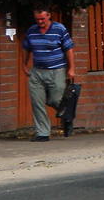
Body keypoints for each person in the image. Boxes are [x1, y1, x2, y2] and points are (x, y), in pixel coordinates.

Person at [21, 8, 75, 141]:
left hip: (56, 70)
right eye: (37, 19)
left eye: (42, 19)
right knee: (37, 102)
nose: (40, 22)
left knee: (55, 99)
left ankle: (66, 114)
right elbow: (26, 48)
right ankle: (42, 133)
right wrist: (24, 64)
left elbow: (69, 49)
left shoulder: (59, 29)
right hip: (37, 72)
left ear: (49, 16)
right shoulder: (32, 31)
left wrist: (71, 68)